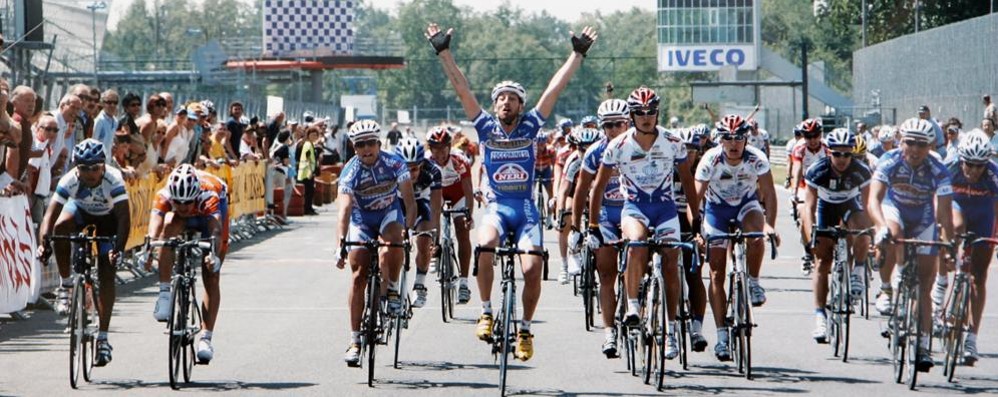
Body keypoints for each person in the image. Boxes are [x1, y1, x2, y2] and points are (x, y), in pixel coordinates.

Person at [426, 21, 596, 361]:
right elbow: (462, 90)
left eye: (513, 99)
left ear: (521, 105)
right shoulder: (486, 126)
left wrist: (577, 55)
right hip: (498, 207)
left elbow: (554, 89)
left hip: (526, 208)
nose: (506, 102)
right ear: (494, 105)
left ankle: (526, 329)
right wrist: (443, 52)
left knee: (532, 269)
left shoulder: (533, 124)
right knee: (484, 245)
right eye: (500, 98)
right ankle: (486, 311)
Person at [588, 87, 699, 361]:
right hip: (635, 207)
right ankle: (634, 307)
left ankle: (671, 329)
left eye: (651, 112)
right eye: (640, 113)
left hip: (665, 209)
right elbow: (598, 187)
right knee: (636, 244)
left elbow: (687, 183)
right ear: (632, 115)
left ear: (658, 113)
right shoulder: (618, 145)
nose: (646, 117)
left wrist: (695, 223)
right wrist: (592, 225)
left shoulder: (673, 142)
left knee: (672, 264)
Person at [868, 117, 954, 372]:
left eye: (921, 144)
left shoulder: (939, 170)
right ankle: (886, 288)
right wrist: (880, 226)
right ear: (899, 141)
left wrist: (947, 245)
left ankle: (924, 345)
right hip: (894, 210)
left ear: (930, 147)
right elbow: (874, 200)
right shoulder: (889, 161)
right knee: (892, 233)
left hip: (923, 218)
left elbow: (945, 214)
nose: (914, 150)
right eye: (909, 143)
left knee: (924, 286)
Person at [36, 139, 130, 367]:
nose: (90, 173)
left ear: (103, 166)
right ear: (77, 167)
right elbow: (50, 215)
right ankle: (66, 284)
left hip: (108, 219)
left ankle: (104, 338)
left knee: (107, 272)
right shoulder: (71, 180)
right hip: (80, 212)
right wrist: (43, 243)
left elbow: (124, 218)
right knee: (59, 228)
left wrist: (118, 249)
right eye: (84, 168)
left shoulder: (113, 179)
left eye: (95, 168)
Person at [693, 115, 779, 361]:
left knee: (756, 233)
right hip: (716, 211)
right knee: (717, 274)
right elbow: (695, 199)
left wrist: (771, 225)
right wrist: (696, 230)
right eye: (728, 139)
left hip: (746, 205)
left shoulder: (756, 158)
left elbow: (770, 193)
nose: (733, 144)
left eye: (738, 138)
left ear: (746, 139)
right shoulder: (710, 159)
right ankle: (721, 336)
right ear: (720, 140)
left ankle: (752, 281)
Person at [333, 120, 417, 366]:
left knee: (391, 246)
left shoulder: (395, 163)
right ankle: (355, 340)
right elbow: (345, 209)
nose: (366, 148)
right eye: (360, 144)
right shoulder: (350, 171)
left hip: (389, 215)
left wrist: (408, 231)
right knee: (358, 275)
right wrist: (341, 242)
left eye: (371, 143)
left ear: (379, 143)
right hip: (362, 219)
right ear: (354, 147)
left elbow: (410, 203)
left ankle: (391, 287)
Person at [147, 164, 229, 364]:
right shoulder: (165, 194)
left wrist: (213, 255)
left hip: (209, 216)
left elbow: (216, 231)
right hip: (182, 219)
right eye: (178, 202)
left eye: (187, 202)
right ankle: (165, 293)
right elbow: (154, 226)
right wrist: (148, 249)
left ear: (194, 195)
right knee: (167, 231)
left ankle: (206, 339)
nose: (183, 207)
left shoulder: (208, 195)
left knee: (211, 273)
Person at [568, 98, 630, 357]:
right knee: (606, 275)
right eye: (607, 125)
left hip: (632, 212)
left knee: (637, 269)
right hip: (604, 214)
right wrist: (576, 227)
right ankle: (609, 333)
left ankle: (637, 306)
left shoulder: (641, 147)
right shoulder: (595, 152)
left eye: (617, 124)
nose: (612, 130)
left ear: (628, 123)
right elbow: (581, 190)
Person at [800, 128, 873, 343]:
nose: (842, 159)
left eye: (847, 154)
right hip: (826, 206)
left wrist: (872, 234)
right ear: (829, 152)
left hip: (850, 204)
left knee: (861, 228)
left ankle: (858, 270)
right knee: (823, 262)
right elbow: (809, 208)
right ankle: (820, 316)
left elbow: (868, 206)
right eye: (837, 154)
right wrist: (810, 235)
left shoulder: (861, 171)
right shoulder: (817, 170)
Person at [942, 131, 998, 365]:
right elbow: (938, 200)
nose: (974, 171)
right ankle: (943, 283)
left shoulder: (994, 175)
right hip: (958, 209)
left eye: (979, 166)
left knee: (978, 277)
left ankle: (971, 337)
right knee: (955, 225)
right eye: (969, 165)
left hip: (984, 215)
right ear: (961, 159)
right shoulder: (949, 168)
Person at [425, 126, 475, 303]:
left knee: (462, 230)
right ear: (429, 149)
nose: (439, 153)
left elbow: (469, 191)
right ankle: (435, 250)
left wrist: (469, 214)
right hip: (436, 193)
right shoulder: (425, 162)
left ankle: (463, 282)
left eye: (443, 148)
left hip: (458, 194)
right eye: (435, 149)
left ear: (449, 146)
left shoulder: (459, 160)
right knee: (432, 217)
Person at [394, 137, 442, 308]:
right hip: (398, 203)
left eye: (414, 169)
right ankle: (392, 285)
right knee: (393, 243)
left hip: (422, 202)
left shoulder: (433, 172)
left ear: (422, 164)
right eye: (406, 169)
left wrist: (436, 239)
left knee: (424, 240)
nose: (410, 174)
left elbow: (436, 208)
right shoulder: (390, 170)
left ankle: (420, 284)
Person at [790, 118, 828, 275]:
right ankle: (807, 253)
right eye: (808, 136)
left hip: (824, 186)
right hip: (805, 186)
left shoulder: (827, 148)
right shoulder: (799, 148)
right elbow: (797, 169)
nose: (812, 140)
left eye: (815, 135)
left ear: (820, 135)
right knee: (803, 213)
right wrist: (793, 191)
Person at [93, 89, 119, 162]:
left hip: (108, 161)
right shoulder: (99, 121)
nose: (112, 105)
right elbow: (93, 142)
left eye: (115, 102)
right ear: (102, 103)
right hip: (98, 162)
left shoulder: (115, 121)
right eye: (109, 102)